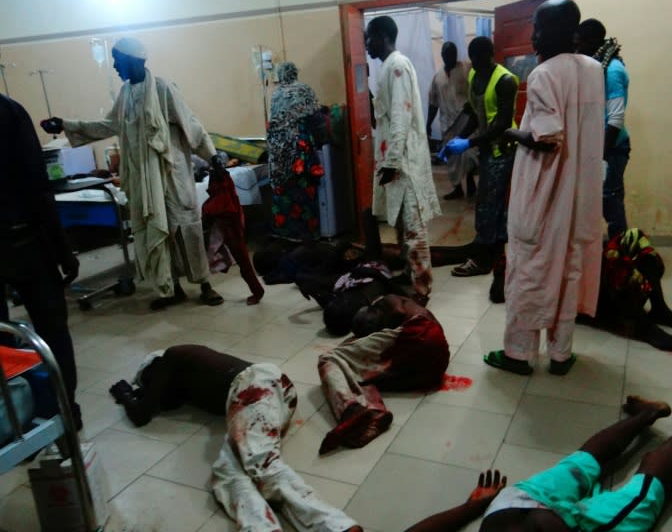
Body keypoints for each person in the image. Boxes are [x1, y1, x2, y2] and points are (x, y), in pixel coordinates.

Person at [41, 37, 223, 311]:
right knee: (156, 233)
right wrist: (66, 124)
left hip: (172, 175)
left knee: (187, 231)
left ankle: (205, 285)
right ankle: (170, 287)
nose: (114, 66)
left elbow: (191, 124)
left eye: (117, 60)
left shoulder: (163, 89)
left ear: (133, 59)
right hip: (143, 180)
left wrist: (213, 157)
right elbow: (106, 126)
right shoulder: (125, 95)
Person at [404, 396, 672, 532]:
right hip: (508, 509)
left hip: (550, 527)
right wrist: (473, 508)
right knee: (581, 463)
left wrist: (470, 507)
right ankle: (646, 415)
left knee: (641, 498)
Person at [109, 345, 361, 532]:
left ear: (154, 368)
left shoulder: (171, 357)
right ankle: (265, 527)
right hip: (271, 390)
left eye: (150, 383)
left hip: (256, 385)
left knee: (263, 464)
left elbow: (141, 414)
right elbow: (169, 402)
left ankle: (335, 524)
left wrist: (126, 394)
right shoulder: (190, 374)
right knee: (229, 472)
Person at [481, 0, 604, 376]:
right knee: (568, 269)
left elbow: (547, 138)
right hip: (578, 194)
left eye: (539, 27)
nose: (533, 35)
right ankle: (561, 354)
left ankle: (518, 355)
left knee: (530, 270)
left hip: (543, 193)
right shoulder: (593, 68)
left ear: (565, 32)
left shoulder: (544, 74)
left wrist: (511, 131)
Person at [0, 94, 82, 430]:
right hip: (26, 244)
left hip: (21, 241)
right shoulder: (10, 112)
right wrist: (63, 251)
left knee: (2, 343)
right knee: (53, 333)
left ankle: (13, 417)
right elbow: (38, 184)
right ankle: (64, 411)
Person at [366, 16, 441, 306]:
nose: (366, 44)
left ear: (383, 36)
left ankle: (421, 288)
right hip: (394, 159)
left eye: (369, 37)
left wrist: (392, 162)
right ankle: (410, 274)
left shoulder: (396, 65)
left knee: (413, 228)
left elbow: (400, 116)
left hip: (403, 163)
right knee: (401, 223)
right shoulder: (387, 67)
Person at [317, 294, 449, 454]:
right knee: (364, 373)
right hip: (433, 367)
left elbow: (397, 312)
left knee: (328, 359)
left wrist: (357, 342)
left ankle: (350, 409)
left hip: (418, 336)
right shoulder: (406, 304)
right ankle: (375, 413)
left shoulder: (388, 302)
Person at [444, 36, 519, 277]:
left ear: (490, 55)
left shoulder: (505, 81)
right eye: (471, 59)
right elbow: (476, 113)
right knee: (490, 204)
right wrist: (457, 140)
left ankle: (483, 260)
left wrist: (469, 142)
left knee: (488, 204)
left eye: (477, 59)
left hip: (504, 149)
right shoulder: (475, 76)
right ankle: (494, 254)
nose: (473, 64)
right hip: (487, 148)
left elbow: (503, 124)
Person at [575, 19, 631, 238]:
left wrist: (601, 157)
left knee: (609, 198)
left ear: (594, 42)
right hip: (597, 146)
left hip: (612, 147)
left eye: (580, 44)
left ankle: (621, 252)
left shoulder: (612, 70)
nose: (577, 50)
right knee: (600, 199)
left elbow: (615, 118)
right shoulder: (596, 67)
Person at [267, 61, 325, 241]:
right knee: (303, 187)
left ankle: (286, 232)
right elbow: (316, 118)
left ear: (281, 76)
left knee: (284, 190)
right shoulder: (304, 90)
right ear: (295, 74)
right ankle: (308, 233)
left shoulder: (275, 94)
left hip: (278, 152)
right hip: (298, 148)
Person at [201, 166, 265, 305]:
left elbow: (213, 209)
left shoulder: (222, 196)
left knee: (244, 266)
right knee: (244, 265)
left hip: (232, 234)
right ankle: (257, 291)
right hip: (233, 232)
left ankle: (257, 291)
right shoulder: (228, 191)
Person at [426, 42, 477, 200]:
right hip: (447, 122)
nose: (450, 57)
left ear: (456, 54)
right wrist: (428, 124)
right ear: (442, 55)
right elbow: (433, 102)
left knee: (468, 153)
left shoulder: (466, 69)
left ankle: (470, 183)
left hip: (465, 118)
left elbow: (476, 90)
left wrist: (474, 106)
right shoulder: (438, 76)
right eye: (447, 54)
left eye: (453, 54)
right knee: (451, 157)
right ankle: (457, 189)